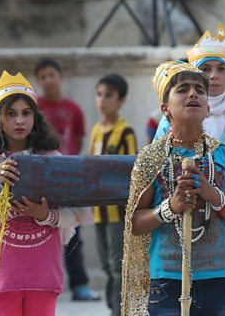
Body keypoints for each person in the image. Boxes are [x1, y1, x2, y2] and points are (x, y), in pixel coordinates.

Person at [153, 24, 225, 316]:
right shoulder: (170, 123)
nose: (214, 76)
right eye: (206, 69)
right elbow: (155, 172)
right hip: (185, 228)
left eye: (222, 69)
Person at [0, 70, 93, 316]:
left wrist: (44, 215)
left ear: (35, 117)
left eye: (26, 113)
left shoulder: (52, 161)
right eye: (11, 114)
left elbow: (76, 215)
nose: (19, 120)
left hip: (42, 274)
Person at [121, 60, 225, 315]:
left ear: (207, 108)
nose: (193, 94)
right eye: (182, 90)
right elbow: (135, 223)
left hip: (219, 281)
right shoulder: (151, 157)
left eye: (199, 91)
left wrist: (213, 195)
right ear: (165, 109)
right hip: (167, 283)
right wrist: (171, 207)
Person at [33, 58, 99, 301]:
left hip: (68, 178)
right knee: (39, 231)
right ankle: (39, 283)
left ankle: (79, 284)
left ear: (60, 77)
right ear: (38, 81)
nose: (48, 80)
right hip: (41, 177)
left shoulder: (73, 108)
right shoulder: (34, 107)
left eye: (52, 74)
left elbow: (79, 140)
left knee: (73, 232)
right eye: (43, 76)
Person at [89, 74, 137, 316]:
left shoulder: (125, 132)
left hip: (117, 210)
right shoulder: (96, 131)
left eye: (108, 95)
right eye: (99, 94)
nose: (102, 100)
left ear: (121, 100)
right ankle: (113, 304)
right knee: (106, 265)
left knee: (118, 265)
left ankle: (117, 311)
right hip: (98, 210)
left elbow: (131, 170)